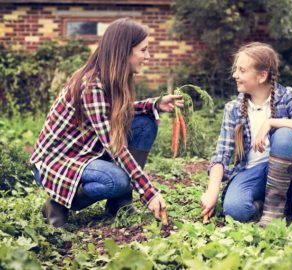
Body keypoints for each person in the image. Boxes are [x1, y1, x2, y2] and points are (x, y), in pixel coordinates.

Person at [30, 18, 183, 228]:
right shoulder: (91, 84)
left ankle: (119, 203)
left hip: (86, 151)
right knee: (117, 180)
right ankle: (58, 204)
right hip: (57, 161)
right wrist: (149, 192)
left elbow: (115, 111)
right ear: (124, 51)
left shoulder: (112, 78)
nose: (148, 56)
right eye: (143, 50)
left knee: (145, 122)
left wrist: (154, 104)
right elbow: (114, 146)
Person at [201, 42, 292, 227]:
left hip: (285, 170)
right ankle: (269, 205)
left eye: (242, 70)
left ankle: (275, 211)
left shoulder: (287, 96)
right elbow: (221, 154)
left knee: (285, 134)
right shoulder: (233, 109)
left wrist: (271, 122)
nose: (235, 75)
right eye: (236, 70)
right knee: (234, 210)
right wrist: (212, 190)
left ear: (262, 75)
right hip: (252, 172)